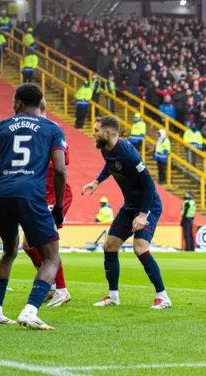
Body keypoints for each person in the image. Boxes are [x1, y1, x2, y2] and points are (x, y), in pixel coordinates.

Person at [0, 83, 67, 330]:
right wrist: (58, 206)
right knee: (51, 258)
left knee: (8, 250)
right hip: (32, 194)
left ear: (17, 103)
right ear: (39, 105)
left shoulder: (0, 127)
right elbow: (59, 169)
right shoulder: (52, 129)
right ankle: (30, 310)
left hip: (2, 193)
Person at [81, 116, 171, 309]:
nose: (93, 133)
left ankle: (163, 297)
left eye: (96, 130)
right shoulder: (106, 149)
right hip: (130, 205)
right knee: (110, 246)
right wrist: (96, 181)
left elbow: (149, 186)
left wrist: (143, 214)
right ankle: (113, 297)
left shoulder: (129, 154)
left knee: (140, 247)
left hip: (149, 205)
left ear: (107, 133)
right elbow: (110, 165)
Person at [21, 98, 72, 308]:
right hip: (39, 193)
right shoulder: (31, 131)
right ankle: (50, 285)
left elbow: (63, 162)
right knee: (27, 244)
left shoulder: (53, 129)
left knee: (47, 242)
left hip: (55, 193)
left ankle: (61, 290)